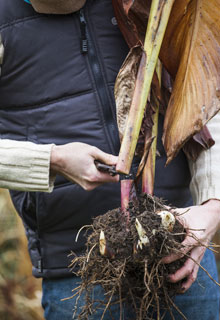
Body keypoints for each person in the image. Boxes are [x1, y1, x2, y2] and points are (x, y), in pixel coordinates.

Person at [0, 0, 219, 319]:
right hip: (76, 271)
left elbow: (205, 98)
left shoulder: (149, 5)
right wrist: (53, 159)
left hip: (179, 250)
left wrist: (212, 207)